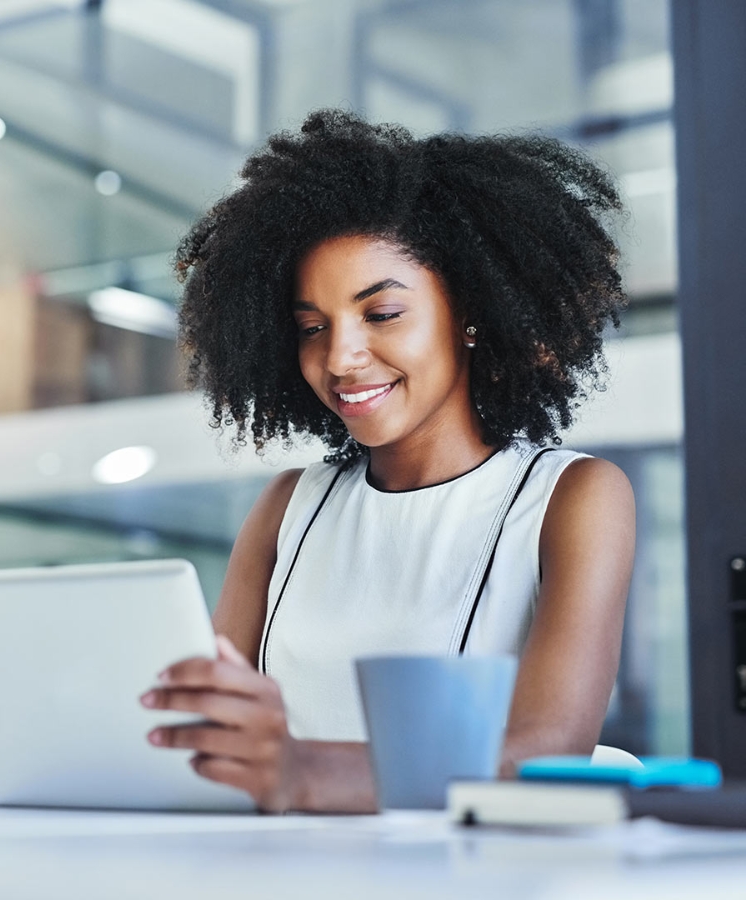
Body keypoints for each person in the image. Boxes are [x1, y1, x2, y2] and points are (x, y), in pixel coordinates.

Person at [138, 109, 636, 813]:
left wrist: (303, 773)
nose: (339, 357)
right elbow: (207, 725)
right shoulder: (291, 505)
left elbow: (543, 750)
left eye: (382, 314)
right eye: (312, 327)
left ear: (469, 314)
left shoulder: (571, 497)